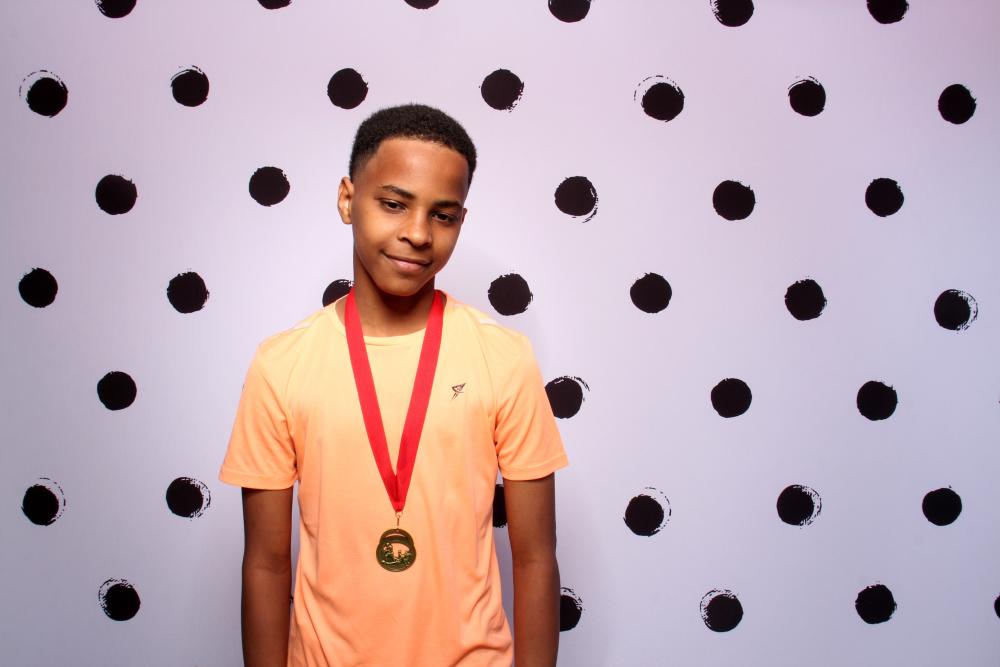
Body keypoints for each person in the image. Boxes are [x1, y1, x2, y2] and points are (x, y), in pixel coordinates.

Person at [220, 103, 569, 666]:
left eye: (443, 215)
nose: (417, 233)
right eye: (393, 204)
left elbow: (535, 559)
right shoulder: (280, 364)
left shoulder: (504, 357)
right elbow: (264, 563)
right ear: (347, 199)